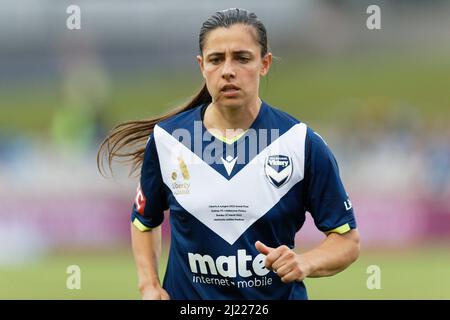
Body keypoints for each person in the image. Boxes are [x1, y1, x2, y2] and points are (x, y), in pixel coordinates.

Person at [97, 8, 360, 300]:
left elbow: (347, 241)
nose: (228, 70)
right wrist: (148, 285)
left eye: (242, 58)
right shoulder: (167, 141)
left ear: (265, 63)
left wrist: (305, 262)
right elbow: (144, 221)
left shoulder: (300, 143)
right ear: (202, 66)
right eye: (216, 59)